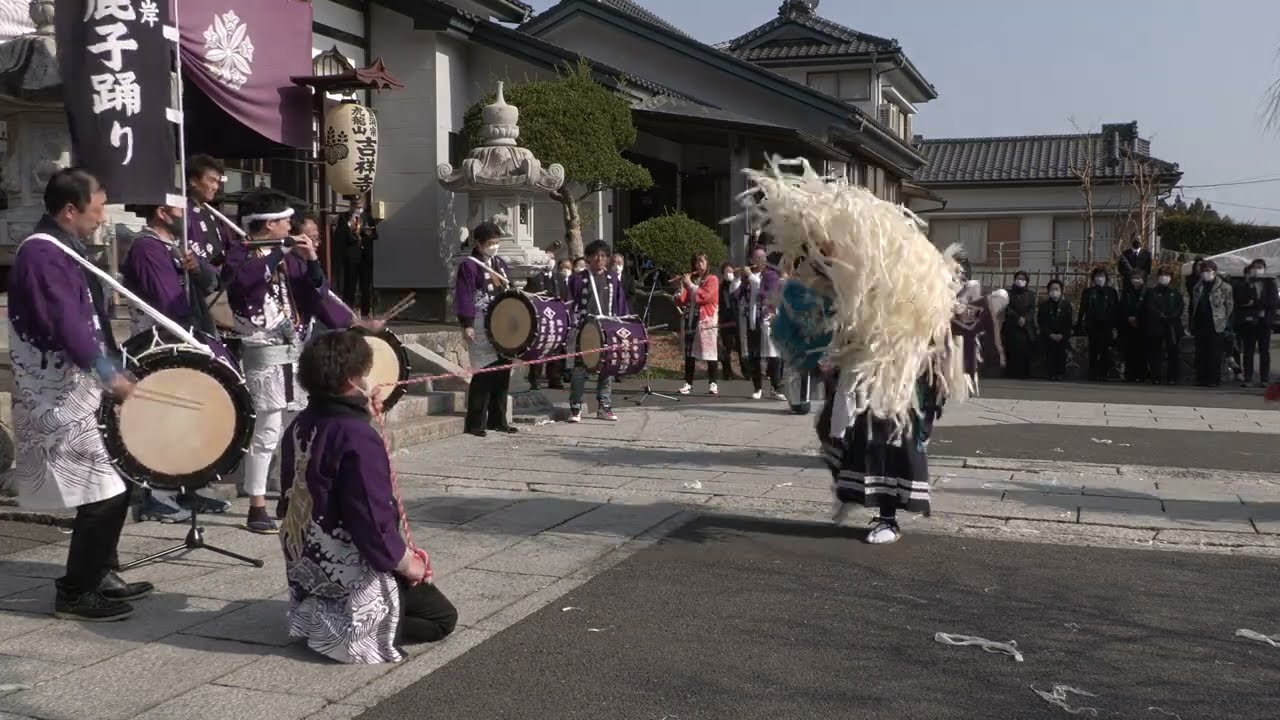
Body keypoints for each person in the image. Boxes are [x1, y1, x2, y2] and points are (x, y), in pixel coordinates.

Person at [7, 168, 153, 621]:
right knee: (104, 491)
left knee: (115, 483)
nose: (102, 220)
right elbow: (68, 322)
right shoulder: (43, 255)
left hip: (80, 388)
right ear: (70, 210)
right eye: (96, 210)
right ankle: (75, 590)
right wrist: (107, 371)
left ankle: (99, 573)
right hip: (60, 394)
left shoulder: (63, 250)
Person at [279, 329, 457, 664]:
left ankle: (321, 615)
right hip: (347, 561)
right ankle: (360, 627)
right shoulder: (356, 436)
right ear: (351, 379)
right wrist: (407, 563)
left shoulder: (300, 424)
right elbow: (369, 519)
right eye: (363, 373)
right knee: (442, 617)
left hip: (306, 557)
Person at [224, 189, 376, 534]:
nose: (290, 225)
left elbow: (316, 296)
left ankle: (289, 494)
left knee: (295, 427)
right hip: (264, 352)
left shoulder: (291, 256)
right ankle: (256, 503)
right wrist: (281, 253)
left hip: (296, 351)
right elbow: (242, 284)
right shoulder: (240, 254)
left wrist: (310, 263)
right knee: (266, 428)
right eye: (284, 220)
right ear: (267, 224)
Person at [121, 203, 234, 521]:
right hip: (164, 340)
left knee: (185, 417)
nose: (186, 214)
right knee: (163, 416)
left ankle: (186, 487)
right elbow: (169, 302)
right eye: (178, 207)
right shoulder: (147, 247)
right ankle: (157, 494)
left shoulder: (175, 246)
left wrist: (196, 267)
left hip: (188, 336)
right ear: (161, 211)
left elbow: (213, 282)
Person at [454, 221, 517, 437]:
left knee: (503, 371)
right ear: (479, 244)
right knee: (483, 373)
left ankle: (498, 419)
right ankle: (475, 423)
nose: (494, 246)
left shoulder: (499, 263)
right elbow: (464, 295)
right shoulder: (469, 266)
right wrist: (467, 324)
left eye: (496, 242)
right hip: (481, 324)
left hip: (502, 324)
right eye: (490, 243)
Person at [567, 240, 629, 422]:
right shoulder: (578, 279)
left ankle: (604, 406)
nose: (599, 259)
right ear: (587, 257)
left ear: (608, 259)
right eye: (595, 255)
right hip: (585, 329)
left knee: (607, 369)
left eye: (603, 255)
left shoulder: (613, 280)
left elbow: (621, 306)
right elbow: (570, 304)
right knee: (580, 369)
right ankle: (576, 407)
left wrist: (622, 326)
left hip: (608, 329)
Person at [734, 245, 784, 400]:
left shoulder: (771, 275)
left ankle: (776, 388)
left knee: (773, 355)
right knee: (755, 355)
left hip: (767, 319)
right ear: (751, 259)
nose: (761, 260)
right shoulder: (746, 278)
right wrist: (735, 277)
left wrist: (751, 277)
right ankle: (757, 388)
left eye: (763, 257)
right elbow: (736, 294)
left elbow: (769, 294)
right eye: (757, 257)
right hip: (751, 320)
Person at [674, 252, 720, 395]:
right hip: (691, 319)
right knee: (689, 353)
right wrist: (680, 286)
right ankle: (688, 383)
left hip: (706, 320)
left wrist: (691, 285)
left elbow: (705, 297)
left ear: (707, 263)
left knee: (710, 352)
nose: (698, 265)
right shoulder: (693, 280)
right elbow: (682, 300)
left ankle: (713, 382)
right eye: (696, 262)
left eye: (701, 262)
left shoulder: (712, 279)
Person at [524, 258, 567, 390]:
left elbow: (565, 295)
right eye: (548, 258)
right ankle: (535, 378)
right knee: (539, 347)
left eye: (553, 259)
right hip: (540, 316)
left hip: (556, 315)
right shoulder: (534, 277)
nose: (550, 261)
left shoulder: (558, 277)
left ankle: (555, 377)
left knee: (557, 348)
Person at [1189, 259, 1233, 387]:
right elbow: (1193, 304)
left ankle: (1213, 379)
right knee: (1201, 352)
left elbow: (1229, 306)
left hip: (1216, 324)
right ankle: (1201, 378)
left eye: (1208, 271)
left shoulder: (1225, 287)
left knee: (1214, 353)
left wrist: (1224, 320)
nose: (1205, 273)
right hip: (1200, 323)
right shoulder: (1198, 286)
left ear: (1214, 271)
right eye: (1203, 271)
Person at [1234, 259, 1277, 387]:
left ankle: (1264, 378)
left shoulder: (1270, 283)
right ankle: (1248, 378)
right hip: (1249, 321)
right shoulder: (1245, 283)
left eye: (1259, 267)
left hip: (1264, 322)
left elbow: (1273, 301)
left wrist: (1256, 304)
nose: (1257, 270)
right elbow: (1240, 300)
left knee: (1264, 351)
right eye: (1254, 267)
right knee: (1248, 351)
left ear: (1264, 269)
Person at [185, 154, 231, 266]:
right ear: (193, 181)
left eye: (218, 182)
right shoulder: (182, 213)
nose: (215, 187)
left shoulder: (213, 214)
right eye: (211, 180)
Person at [1075, 267, 1119, 381]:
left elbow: (1115, 309)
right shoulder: (1088, 292)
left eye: (1102, 276)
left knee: (1105, 350)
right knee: (1093, 350)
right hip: (1092, 325)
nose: (1099, 279)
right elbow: (1082, 309)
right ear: (1093, 278)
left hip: (1107, 326)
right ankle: (1092, 372)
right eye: (1097, 276)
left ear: (1106, 278)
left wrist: (1115, 326)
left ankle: (1104, 373)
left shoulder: (1111, 292)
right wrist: (1080, 324)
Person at [1143, 267, 1184, 385]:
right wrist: (1161, 316)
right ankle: (1156, 376)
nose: (1164, 277)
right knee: (1155, 352)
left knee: (1173, 352)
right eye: (1162, 275)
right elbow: (1150, 306)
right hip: (1156, 325)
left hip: (1172, 326)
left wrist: (1172, 316)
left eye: (1167, 275)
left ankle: (1172, 377)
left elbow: (1180, 307)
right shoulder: (1151, 292)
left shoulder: (1175, 293)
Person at [337, 195, 377, 316]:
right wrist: (349, 224)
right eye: (355, 204)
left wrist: (368, 233)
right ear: (351, 205)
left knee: (366, 286)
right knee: (350, 285)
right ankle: (348, 312)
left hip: (365, 256)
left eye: (360, 205)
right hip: (351, 256)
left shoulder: (367, 216)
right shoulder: (344, 217)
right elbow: (340, 236)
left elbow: (375, 235)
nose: (358, 207)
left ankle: (366, 313)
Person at [1002, 270, 1036, 379]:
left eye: (1023, 279)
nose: (1020, 281)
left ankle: (1024, 373)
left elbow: (1032, 309)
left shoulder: (1030, 295)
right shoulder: (1009, 293)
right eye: (1018, 278)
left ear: (1026, 281)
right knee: (1012, 349)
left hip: (1026, 327)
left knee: (1025, 351)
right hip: (1012, 326)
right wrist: (1017, 318)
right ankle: (1011, 372)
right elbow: (1007, 308)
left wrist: (1025, 319)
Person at [1037, 278, 1072, 381]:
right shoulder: (1044, 306)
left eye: (1057, 289)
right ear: (1048, 291)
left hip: (1062, 335)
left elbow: (1068, 322)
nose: (1054, 291)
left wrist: (1062, 334)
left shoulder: (1066, 305)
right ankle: (1051, 373)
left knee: (1061, 354)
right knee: (1050, 354)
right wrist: (1050, 334)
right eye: (1052, 289)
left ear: (1061, 290)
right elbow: (1041, 322)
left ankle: (1060, 373)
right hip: (1049, 335)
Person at [1119, 271, 1149, 382]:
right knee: (1129, 352)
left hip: (1142, 326)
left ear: (1143, 279)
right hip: (1128, 326)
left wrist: (1138, 319)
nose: (1135, 280)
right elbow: (1122, 307)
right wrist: (1128, 318)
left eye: (1138, 278)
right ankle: (1130, 374)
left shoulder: (1147, 292)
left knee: (1142, 352)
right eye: (1133, 278)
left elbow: (1148, 308)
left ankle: (1142, 374)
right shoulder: (1127, 292)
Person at [717, 262, 743, 381]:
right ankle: (727, 372)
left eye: (731, 271)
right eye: (726, 272)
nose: (729, 274)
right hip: (725, 321)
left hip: (738, 320)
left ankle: (745, 370)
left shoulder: (738, 284)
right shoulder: (720, 287)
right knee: (726, 348)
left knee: (741, 347)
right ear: (722, 274)